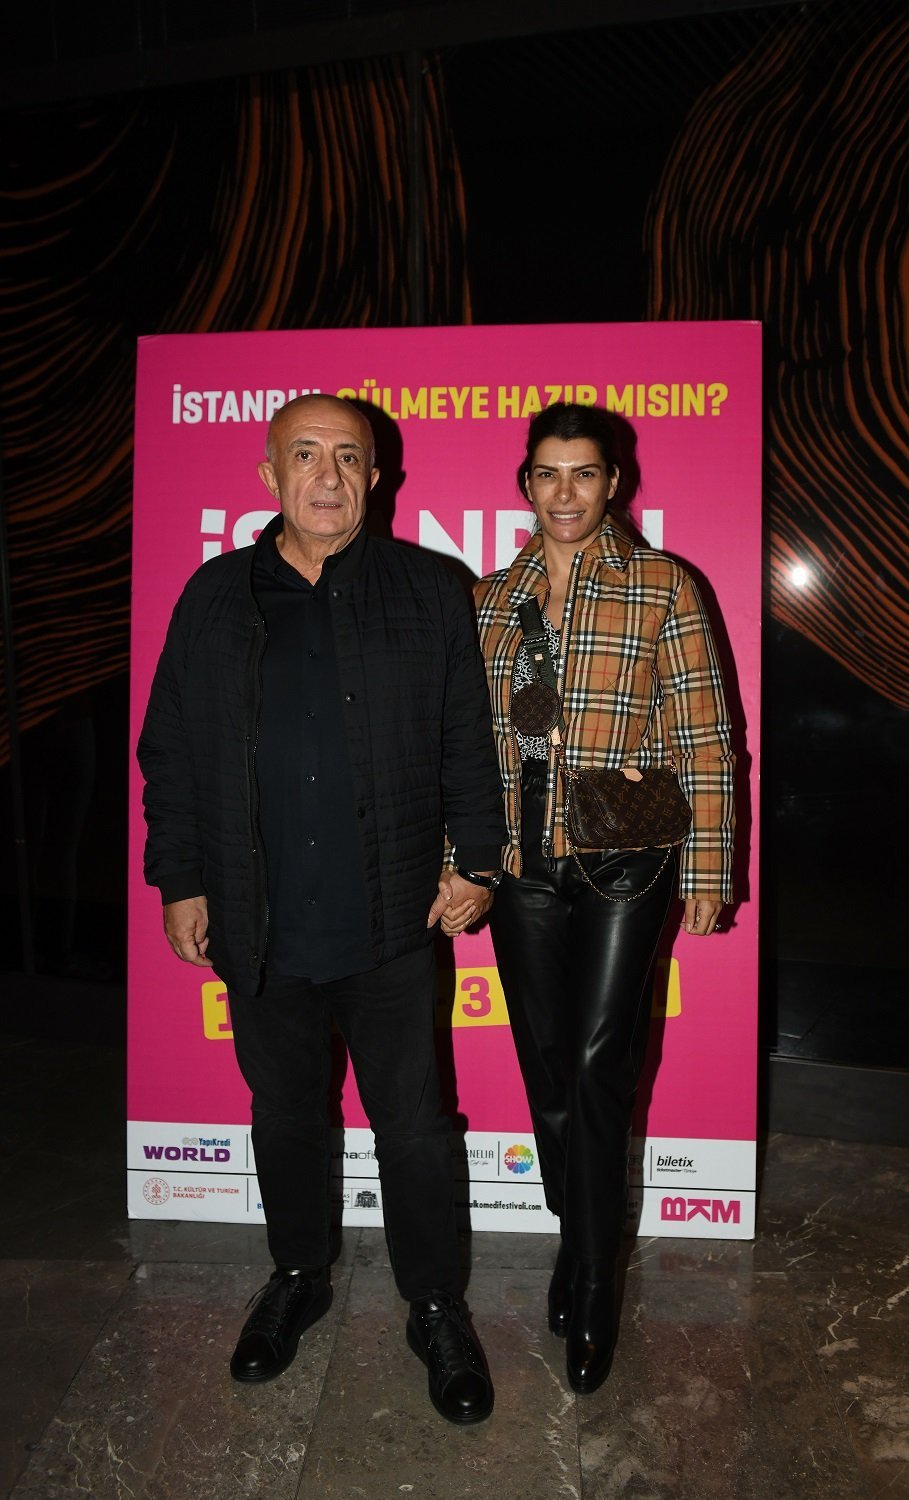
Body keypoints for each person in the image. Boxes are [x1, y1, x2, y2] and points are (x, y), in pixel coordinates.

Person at [137, 393, 507, 1424]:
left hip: (390, 918)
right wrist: (180, 879)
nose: (329, 476)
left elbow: (467, 740)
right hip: (257, 920)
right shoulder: (214, 595)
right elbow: (170, 750)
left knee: (415, 1128)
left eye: (350, 456)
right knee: (286, 1114)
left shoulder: (430, 590)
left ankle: (434, 1305)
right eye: (306, 455)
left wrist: (478, 860)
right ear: (269, 475)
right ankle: (297, 1275)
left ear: (377, 477)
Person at [472, 402, 735, 1394]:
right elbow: (469, 745)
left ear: (613, 483)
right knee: (545, 1066)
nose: (566, 492)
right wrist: (463, 857)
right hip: (522, 857)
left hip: (627, 851)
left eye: (584, 473)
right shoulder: (491, 600)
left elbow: (704, 737)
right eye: (548, 473)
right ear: (525, 485)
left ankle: (594, 1281)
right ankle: (574, 1232)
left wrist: (707, 869)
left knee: (594, 1063)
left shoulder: (663, 585)